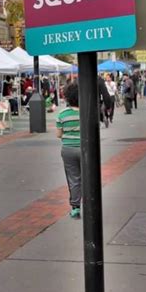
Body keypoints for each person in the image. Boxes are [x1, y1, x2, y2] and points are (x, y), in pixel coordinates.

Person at [56, 81, 81, 219]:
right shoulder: (87, 111)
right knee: (88, 177)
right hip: (84, 148)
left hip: (68, 149)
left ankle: (75, 207)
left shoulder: (62, 114)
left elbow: (59, 134)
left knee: (73, 178)